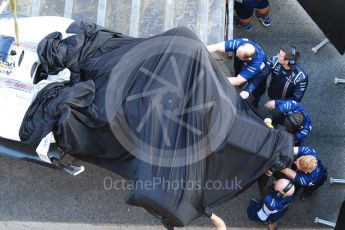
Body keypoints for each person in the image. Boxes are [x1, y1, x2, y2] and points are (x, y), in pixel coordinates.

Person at [207, 38, 268, 108]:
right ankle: (242, 84)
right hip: (243, 64)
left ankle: (256, 99)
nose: (236, 55)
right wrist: (200, 49)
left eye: (238, 55)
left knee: (258, 90)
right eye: (236, 53)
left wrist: (212, 79)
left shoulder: (257, 63)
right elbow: (216, 46)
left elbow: (237, 81)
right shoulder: (241, 43)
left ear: (248, 59)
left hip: (257, 76)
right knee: (238, 69)